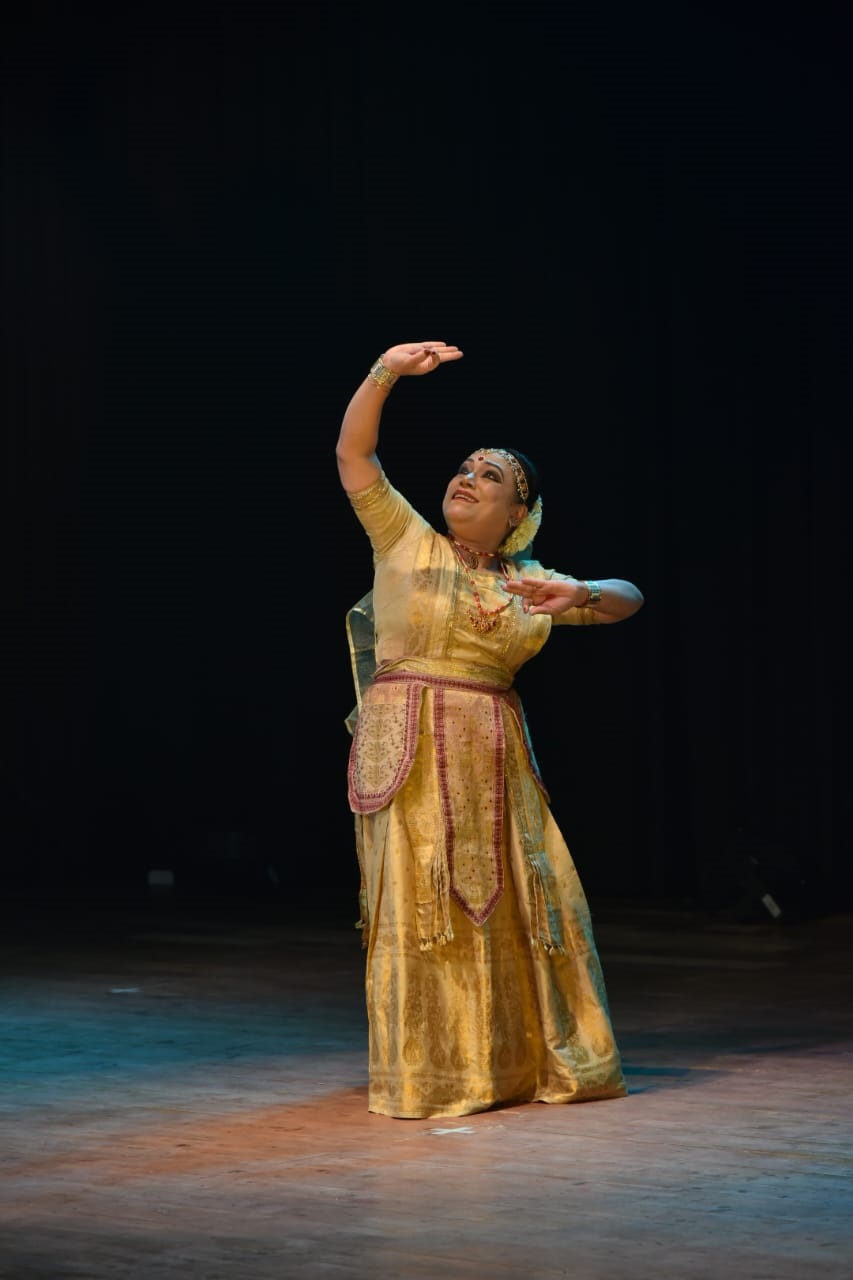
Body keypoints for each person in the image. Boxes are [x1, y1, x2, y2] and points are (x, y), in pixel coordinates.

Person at [337, 340, 644, 1120]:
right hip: (412, 748)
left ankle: (516, 1063)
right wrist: (385, 372)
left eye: (490, 476)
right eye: (464, 468)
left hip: (495, 759)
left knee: (520, 901)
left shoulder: (528, 583)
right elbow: (353, 454)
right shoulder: (405, 540)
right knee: (425, 903)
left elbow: (628, 598)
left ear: (517, 514)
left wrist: (580, 589)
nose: (467, 478)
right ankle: (435, 1072)